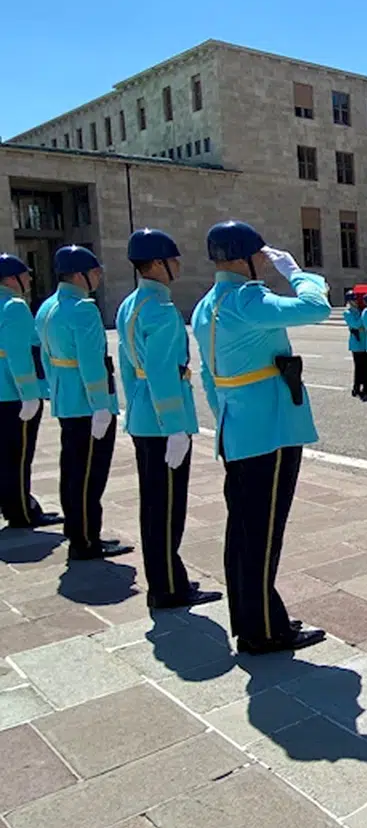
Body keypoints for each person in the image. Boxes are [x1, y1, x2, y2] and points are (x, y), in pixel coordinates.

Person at [191, 220, 329, 655]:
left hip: (239, 427)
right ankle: (264, 630)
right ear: (245, 257)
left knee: (245, 532)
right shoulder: (247, 299)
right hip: (269, 431)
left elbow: (210, 379)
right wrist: (298, 274)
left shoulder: (206, 305)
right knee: (264, 534)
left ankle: (254, 618)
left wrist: (228, 417)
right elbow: (316, 308)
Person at [115, 229, 220, 609]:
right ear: (157, 263)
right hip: (163, 422)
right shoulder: (160, 310)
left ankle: (163, 580)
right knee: (166, 508)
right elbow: (162, 371)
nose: (178, 265)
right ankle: (168, 586)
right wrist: (175, 425)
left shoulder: (131, 305)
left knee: (154, 504)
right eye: (173, 259)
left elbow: (131, 370)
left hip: (145, 416)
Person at [36, 246, 128, 561]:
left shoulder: (46, 308)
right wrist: (101, 404)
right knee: (90, 475)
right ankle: (86, 540)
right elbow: (91, 363)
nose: (99, 276)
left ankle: (77, 532)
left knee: (73, 472)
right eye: (95, 271)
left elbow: (47, 359)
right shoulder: (83, 309)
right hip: (88, 405)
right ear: (79, 274)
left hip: (67, 399)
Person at [0, 254, 61, 530]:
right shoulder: (14, 307)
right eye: (25, 275)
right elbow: (19, 354)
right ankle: (22, 511)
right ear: (12, 279)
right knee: (19, 456)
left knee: (5, 456)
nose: (29, 280)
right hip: (14, 394)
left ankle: (12, 504)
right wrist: (29, 393)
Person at [343, 291, 367, 398]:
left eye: (356, 299)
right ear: (349, 301)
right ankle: (356, 387)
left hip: (365, 342)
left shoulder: (359, 310)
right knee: (359, 367)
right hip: (356, 343)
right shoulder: (347, 313)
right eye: (353, 300)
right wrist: (363, 316)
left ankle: (365, 386)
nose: (356, 301)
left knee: (366, 366)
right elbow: (355, 324)